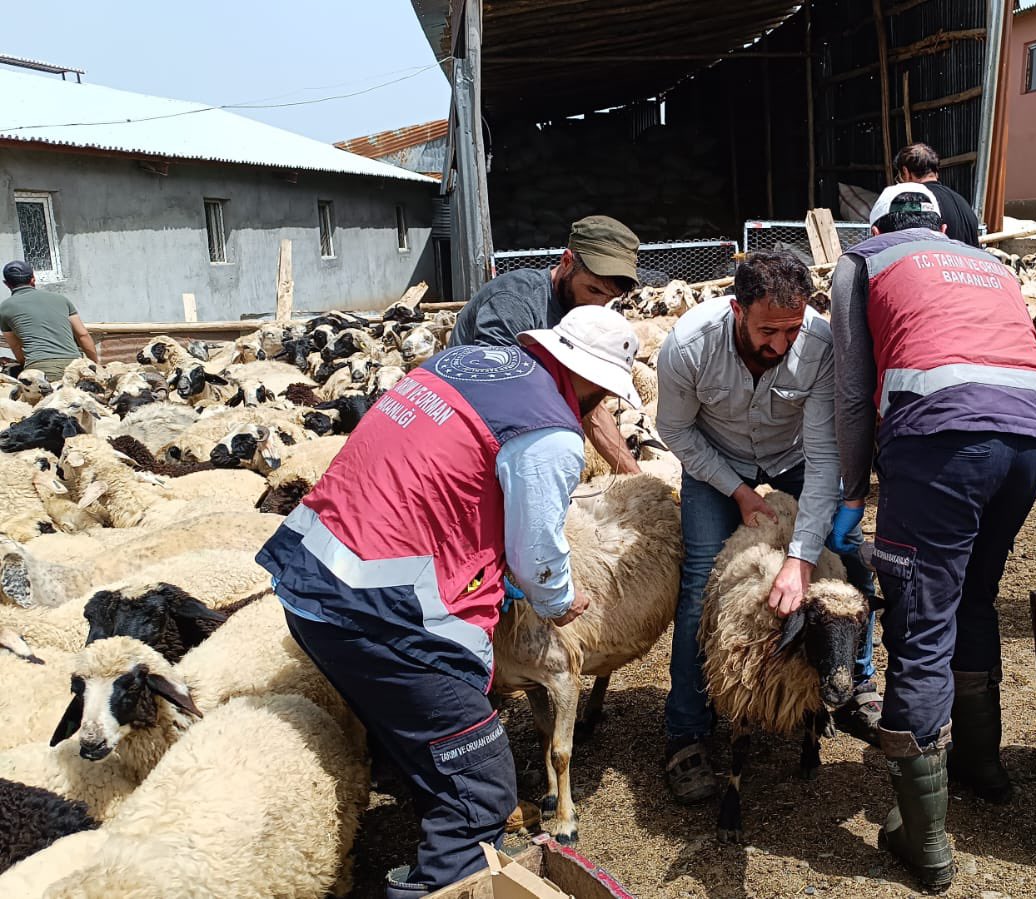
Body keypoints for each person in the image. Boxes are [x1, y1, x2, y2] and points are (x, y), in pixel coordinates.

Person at [256, 305, 644, 897]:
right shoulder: (549, 433)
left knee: (419, 746)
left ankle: (426, 839)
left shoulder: (458, 363)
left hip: (310, 580)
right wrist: (559, 599)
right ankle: (447, 878)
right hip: (387, 611)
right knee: (480, 785)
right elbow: (538, 554)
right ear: (595, 383)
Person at [832, 183, 1036, 891]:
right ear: (940, 227)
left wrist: (852, 491)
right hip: (1028, 439)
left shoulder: (863, 262)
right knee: (975, 596)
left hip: (940, 443)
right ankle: (981, 765)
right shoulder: (989, 264)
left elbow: (851, 389)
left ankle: (924, 839)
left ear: (874, 229)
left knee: (922, 619)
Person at [653, 250, 880, 802]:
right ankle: (687, 729)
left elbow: (824, 459)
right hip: (716, 461)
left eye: (791, 329)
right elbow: (675, 431)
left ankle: (853, 682)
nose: (780, 344)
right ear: (738, 310)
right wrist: (736, 491)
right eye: (767, 331)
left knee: (842, 565)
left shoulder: (820, 345)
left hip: (794, 459)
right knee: (703, 581)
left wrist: (801, 559)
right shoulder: (688, 345)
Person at [452, 215, 642, 475]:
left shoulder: (581, 317)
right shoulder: (514, 303)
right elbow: (497, 395)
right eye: (593, 290)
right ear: (567, 261)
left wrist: (636, 479)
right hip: (471, 443)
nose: (599, 306)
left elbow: (586, 403)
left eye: (611, 298)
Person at [1, 260, 98, 382]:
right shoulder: (61, 299)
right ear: (33, 279)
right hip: (75, 366)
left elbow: (16, 346)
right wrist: (95, 365)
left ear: (6, 284)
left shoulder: (4, 308)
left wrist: (27, 366)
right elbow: (83, 335)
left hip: (42, 371)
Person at [893, 143, 982, 248]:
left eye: (900, 176)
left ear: (906, 172)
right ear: (935, 173)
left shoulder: (913, 203)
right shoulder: (962, 202)